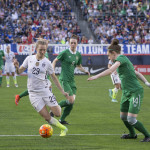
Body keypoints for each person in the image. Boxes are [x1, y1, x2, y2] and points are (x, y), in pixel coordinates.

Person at [88, 39, 150, 142]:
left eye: (109, 55)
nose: (108, 58)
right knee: (123, 116)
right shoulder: (123, 62)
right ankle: (132, 134)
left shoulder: (121, 58)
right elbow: (137, 73)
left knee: (131, 119)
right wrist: (147, 83)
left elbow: (111, 70)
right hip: (126, 93)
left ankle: (148, 135)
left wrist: (96, 76)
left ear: (113, 53)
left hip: (135, 91)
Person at [14, 39, 69, 136]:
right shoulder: (29, 59)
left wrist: (63, 92)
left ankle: (55, 104)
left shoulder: (47, 62)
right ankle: (64, 128)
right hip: (33, 94)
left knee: (57, 113)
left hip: (45, 91)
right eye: (41, 50)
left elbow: (54, 78)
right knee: (47, 118)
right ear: (36, 49)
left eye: (44, 50)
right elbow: (19, 72)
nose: (43, 52)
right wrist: (17, 67)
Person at [52, 34, 90, 125]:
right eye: (71, 43)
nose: (73, 44)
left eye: (74, 43)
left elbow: (79, 66)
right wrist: (52, 70)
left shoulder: (78, 55)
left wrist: (85, 71)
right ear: (69, 43)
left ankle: (62, 119)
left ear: (77, 44)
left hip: (72, 81)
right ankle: (54, 109)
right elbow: (54, 61)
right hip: (64, 79)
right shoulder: (65, 52)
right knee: (71, 100)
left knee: (71, 103)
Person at [15, 39, 51, 106]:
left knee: (39, 88)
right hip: (40, 73)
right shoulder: (43, 53)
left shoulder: (44, 51)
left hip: (43, 73)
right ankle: (19, 96)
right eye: (46, 43)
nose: (47, 44)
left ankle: (19, 96)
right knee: (37, 88)